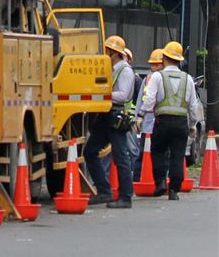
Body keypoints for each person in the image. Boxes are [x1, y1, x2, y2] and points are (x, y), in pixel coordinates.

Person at [140, 39, 202, 200]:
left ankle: (160, 182)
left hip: (162, 122)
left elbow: (149, 100)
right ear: (179, 59)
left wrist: (141, 115)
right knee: (178, 154)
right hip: (181, 123)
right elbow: (193, 106)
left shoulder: (157, 77)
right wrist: (192, 125)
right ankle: (174, 189)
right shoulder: (188, 79)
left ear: (164, 58)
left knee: (158, 151)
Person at [83, 34, 135, 208]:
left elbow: (124, 95)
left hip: (116, 117)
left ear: (115, 53)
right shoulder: (111, 70)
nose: (106, 54)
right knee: (90, 151)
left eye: (108, 51)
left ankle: (125, 197)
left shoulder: (125, 70)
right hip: (107, 116)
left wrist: (102, 95)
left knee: (121, 158)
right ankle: (104, 191)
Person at [133, 48, 164, 179]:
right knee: (142, 152)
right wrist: (137, 118)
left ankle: (156, 178)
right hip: (146, 121)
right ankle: (138, 177)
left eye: (156, 64)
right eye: (152, 64)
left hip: (159, 121)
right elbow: (140, 100)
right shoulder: (146, 80)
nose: (154, 67)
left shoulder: (164, 79)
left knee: (159, 152)